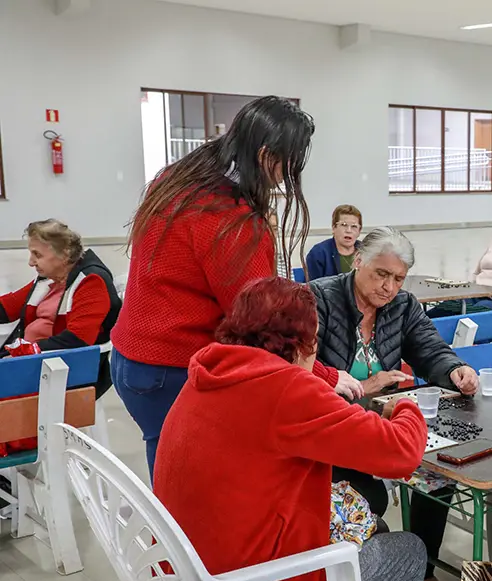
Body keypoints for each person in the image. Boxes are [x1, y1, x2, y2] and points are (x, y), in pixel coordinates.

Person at [155, 277, 427, 581]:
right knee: (408, 554)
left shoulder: (210, 369)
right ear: (302, 342)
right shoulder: (284, 389)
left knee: (367, 533)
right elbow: (401, 453)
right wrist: (405, 406)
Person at [111, 96, 362, 480]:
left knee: (166, 460)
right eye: (288, 163)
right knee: (190, 480)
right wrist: (327, 376)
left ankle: (173, 533)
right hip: (171, 367)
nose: (286, 175)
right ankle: (183, 538)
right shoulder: (231, 221)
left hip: (131, 358)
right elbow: (262, 326)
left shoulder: (180, 178)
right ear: (265, 156)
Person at [310, 226, 479, 581]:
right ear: (358, 262)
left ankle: (422, 577)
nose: (389, 287)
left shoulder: (403, 306)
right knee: (372, 496)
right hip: (333, 427)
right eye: (381, 275)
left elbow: (429, 348)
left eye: (398, 278)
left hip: (381, 422)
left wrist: (455, 370)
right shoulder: (319, 298)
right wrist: (363, 386)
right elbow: (301, 371)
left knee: (437, 476)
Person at [0, 220, 121, 395]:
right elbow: (7, 307)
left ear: (64, 254)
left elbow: (77, 339)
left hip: (64, 371)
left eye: (37, 255)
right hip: (34, 362)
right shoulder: (50, 278)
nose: (31, 262)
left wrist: (25, 352)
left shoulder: (91, 281)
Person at [305, 204, 363, 280]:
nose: (349, 230)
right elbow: (313, 288)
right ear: (333, 228)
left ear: (359, 231)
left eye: (354, 226)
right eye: (343, 225)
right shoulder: (318, 253)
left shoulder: (366, 251)